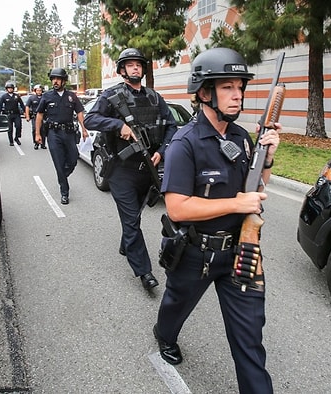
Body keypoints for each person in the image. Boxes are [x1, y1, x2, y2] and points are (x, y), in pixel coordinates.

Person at [153, 47, 280, 394]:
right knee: (175, 305)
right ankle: (164, 335)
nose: (237, 94)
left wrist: (266, 159)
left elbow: (256, 188)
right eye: (227, 87)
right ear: (204, 92)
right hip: (196, 254)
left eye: (240, 86)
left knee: (250, 341)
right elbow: (177, 208)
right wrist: (236, 203)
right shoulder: (184, 143)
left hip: (241, 252)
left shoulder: (240, 136)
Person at [84, 48, 178, 291]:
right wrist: (118, 125)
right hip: (122, 170)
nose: (135, 68)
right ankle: (144, 272)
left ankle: (127, 243)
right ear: (122, 69)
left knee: (134, 215)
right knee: (131, 221)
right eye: (130, 65)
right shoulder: (111, 95)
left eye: (139, 65)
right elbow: (90, 119)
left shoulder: (155, 98)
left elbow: (171, 126)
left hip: (148, 168)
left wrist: (163, 151)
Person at [34, 68, 88, 205]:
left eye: (58, 79)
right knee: (59, 163)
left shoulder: (72, 96)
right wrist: (37, 133)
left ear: (64, 81)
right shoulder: (47, 96)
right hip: (53, 134)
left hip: (69, 133)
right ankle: (64, 192)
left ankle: (62, 175)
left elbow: (80, 112)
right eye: (53, 79)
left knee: (74, 158)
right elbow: (39, 115)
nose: (55, 81)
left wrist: (84, 129)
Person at [0, 81, 25, 146]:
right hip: (8, 114)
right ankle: (11, 141)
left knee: (18, 126)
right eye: (9, 88)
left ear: (13, 89)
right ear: (6, 89)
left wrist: (25, 112)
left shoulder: (17, 96)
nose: (10, 89)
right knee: (10, 128)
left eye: (11, 88)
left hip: (16, 114)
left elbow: (22, 105)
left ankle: (17, 138)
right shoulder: (4, 96)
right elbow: (0, 106)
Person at [25, 84, 46, 149]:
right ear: (35, 91)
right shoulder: (32, 98)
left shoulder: (45, 97)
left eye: (40, 90)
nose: (39, 92)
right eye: (37, 90)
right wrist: (27, 116)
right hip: (35, 116)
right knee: (35, 129)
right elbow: (27, 107)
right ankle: (36, 143)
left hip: (44, 116)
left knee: (43, 130)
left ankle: (43, 144)